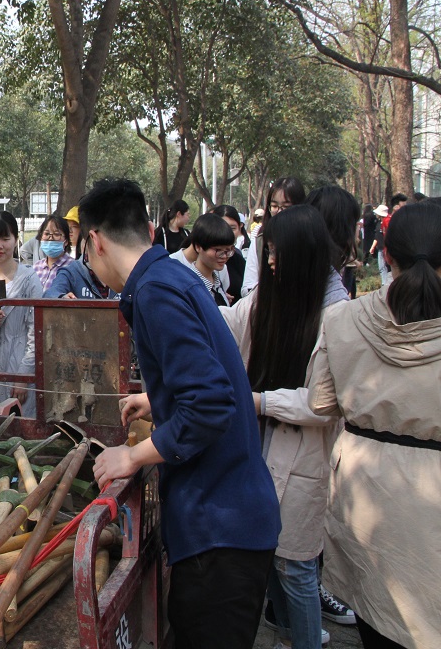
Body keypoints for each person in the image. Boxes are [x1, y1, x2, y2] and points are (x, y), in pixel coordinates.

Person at [86, 179, 280, 649]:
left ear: (96, 241)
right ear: (151, 231)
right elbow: (216, 375)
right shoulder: (172, 278)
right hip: (231, 520)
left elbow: (211, 405)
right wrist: (160, 400)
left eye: (85, 252)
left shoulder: (156, 292)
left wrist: (132, 457)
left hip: (219, 529)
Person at [309, 202, 441, 649]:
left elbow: (320, 402)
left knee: (379, 624)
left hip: (365, 502)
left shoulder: (344, 318)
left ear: (386, 255)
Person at [219, 206, 349, 649]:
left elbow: (323, 405)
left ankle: (307, 641)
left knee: (295, 567)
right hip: (259, 447)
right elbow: (228, 323)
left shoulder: (336, 316)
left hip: (304, 455)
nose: (271, 262)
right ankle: (289, 634)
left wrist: (260, 401)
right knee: (268, 552)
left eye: (279, 253)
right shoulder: (266, 301)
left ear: (305, 256)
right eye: (268, 251)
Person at [0, 210, 43, 418]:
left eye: (5, 238)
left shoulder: (29, 280)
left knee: (21, 425)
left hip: (20, 368)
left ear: (16, 240)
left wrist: (24, 375)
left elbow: (36, 331)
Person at [242, 177, 306, 296]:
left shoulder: (308, 240)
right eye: (274, 206)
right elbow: (247, 287)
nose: (279, 211)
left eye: (286, 206)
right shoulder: (260, 241)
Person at [168, 213, 235, 306]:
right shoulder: (187, 285)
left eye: (228, 250)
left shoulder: (218, 280)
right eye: (218, 250)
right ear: (198, 247)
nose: (224, 256)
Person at [212, 204, 249, 302]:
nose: (227, 232)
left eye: (232, 228)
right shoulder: (202, 258)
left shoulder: (239, 259)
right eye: (223, 227)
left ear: (240, 227)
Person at [31, 214, 73, 292]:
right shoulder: (36, 267)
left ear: (66, 241)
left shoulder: (73, 267)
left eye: (56, 234)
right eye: (46, 234)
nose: (50, 238)